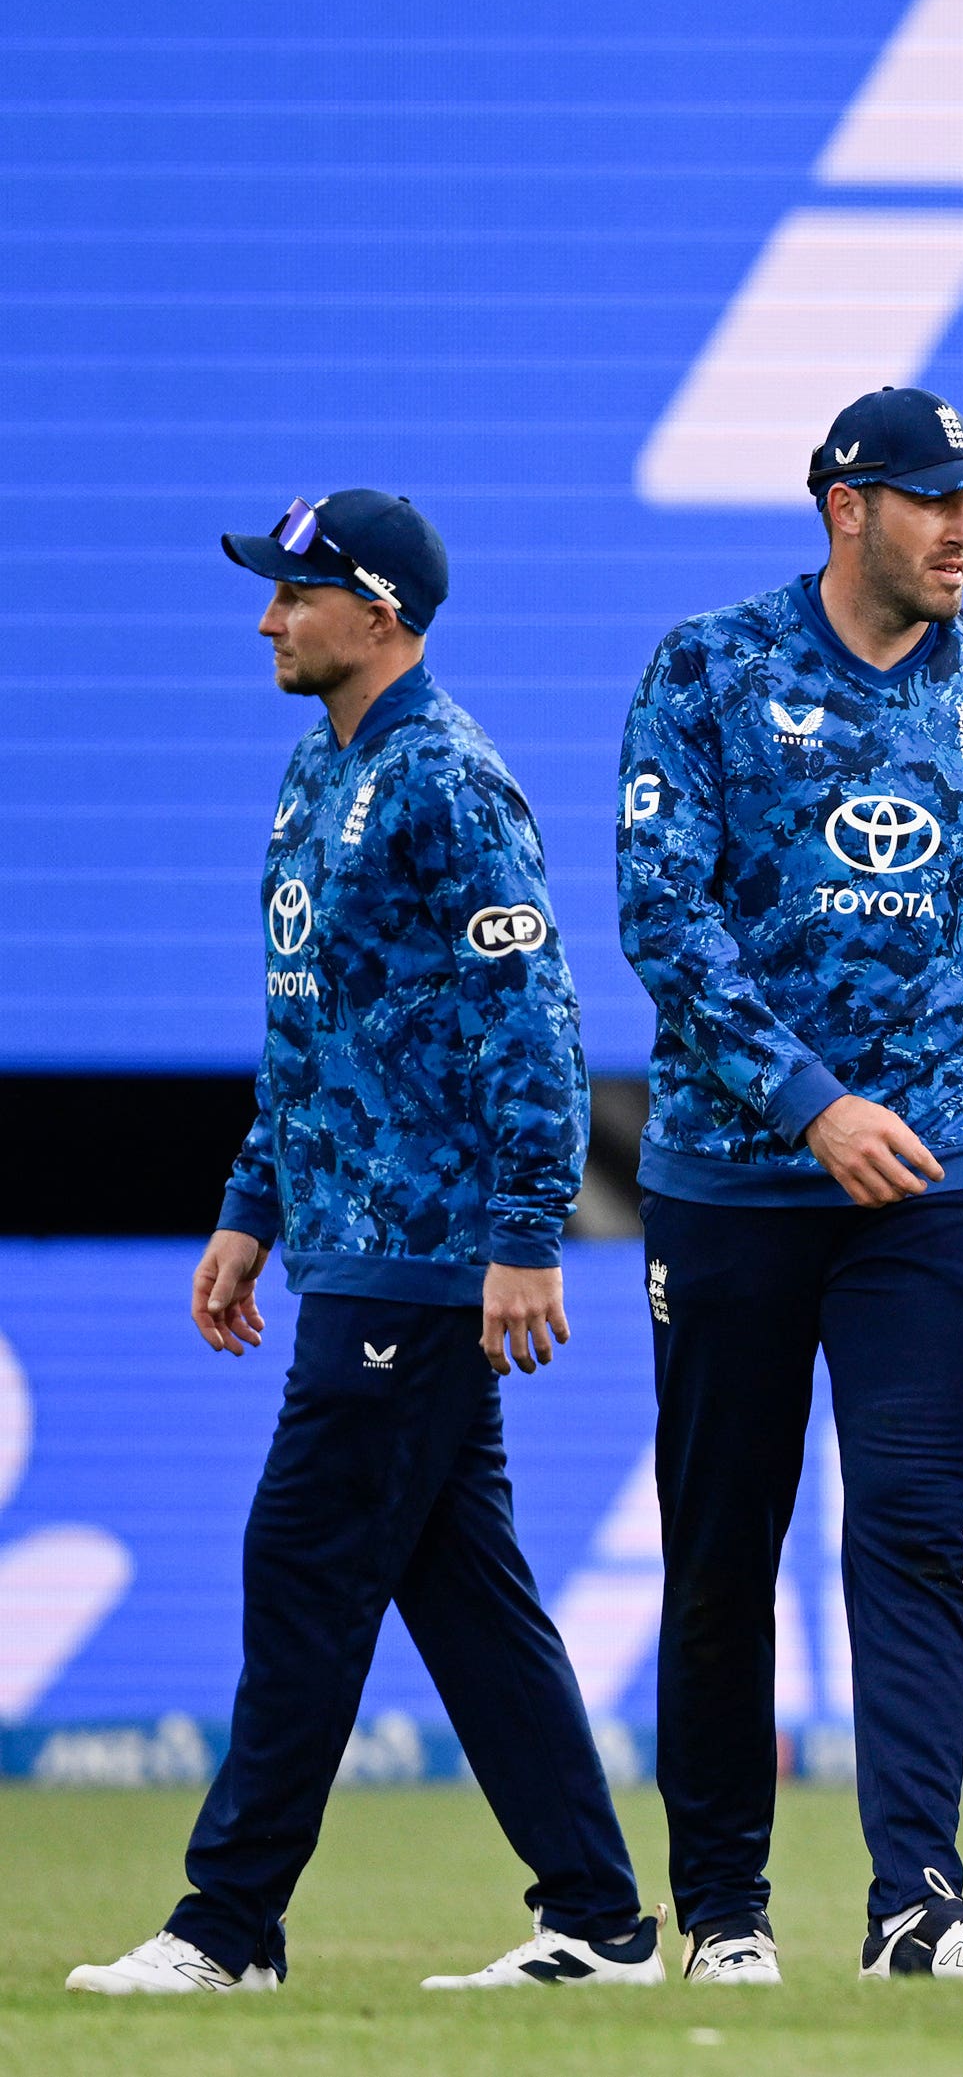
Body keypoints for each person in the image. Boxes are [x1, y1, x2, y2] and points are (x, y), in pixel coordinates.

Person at [71, 493, 655, 1996]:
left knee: (303, 1556)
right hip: (347, 1242)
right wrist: (251, 1203)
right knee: (465, 1590)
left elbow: (535, 1015)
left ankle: (227, 1928)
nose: (269, 616)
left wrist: (529, 1228)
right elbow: (307, 1025)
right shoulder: (314, 773)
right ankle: (596, 1921)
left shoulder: (445, 782)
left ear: (379, 611)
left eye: (296, 592)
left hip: (426, 1252)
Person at [614, 387, 963, 1983]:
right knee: (724, 1546)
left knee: (909, 1531)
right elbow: (662, 919)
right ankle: (724, 1917)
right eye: (933, 498)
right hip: (733, 1182)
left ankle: (919, 1903)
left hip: (942, 1193)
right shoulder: (708, 666)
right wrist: (809, 1102)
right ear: (844, 506)